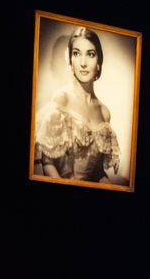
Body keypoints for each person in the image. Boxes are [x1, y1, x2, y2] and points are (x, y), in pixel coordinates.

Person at [34, 26, 124, 184]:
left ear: (99, 62)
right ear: (70, 60)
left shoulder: (104, 112)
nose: (83, 63)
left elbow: (97, 173)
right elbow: (47, 163)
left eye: (90, 54)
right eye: (76, 53)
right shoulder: (61, 99)